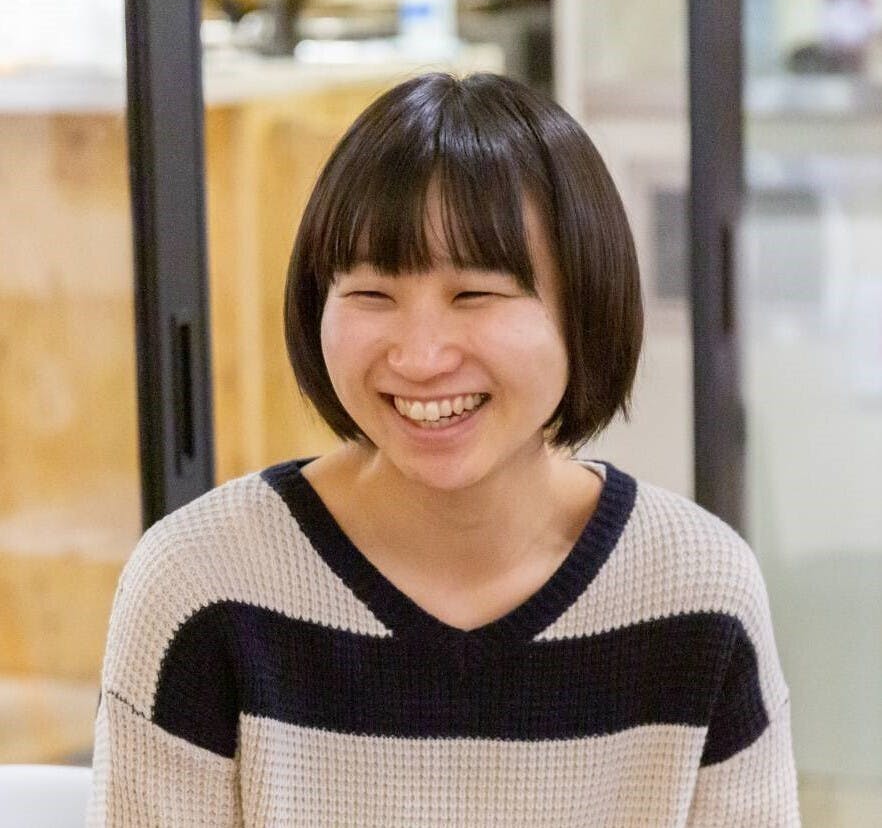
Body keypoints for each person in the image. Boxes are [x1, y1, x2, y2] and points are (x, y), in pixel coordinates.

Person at [86, 72, 800, 826]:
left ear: (586, 306)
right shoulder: (202, 588)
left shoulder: (697, 596)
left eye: (475, 295)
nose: (420, 357)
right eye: (371, 294)